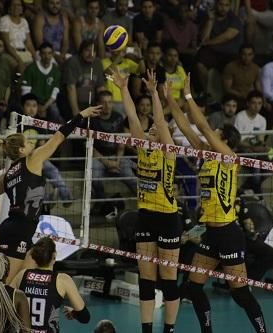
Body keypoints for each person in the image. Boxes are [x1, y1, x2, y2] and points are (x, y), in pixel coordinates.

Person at [169, 74, 267, 333]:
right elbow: (186, 126)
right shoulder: (206, 154)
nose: (214, 133)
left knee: (241, 294)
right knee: (192, 286)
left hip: (229, 233)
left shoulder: (228, 157)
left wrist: (189, 95)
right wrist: (169, 98)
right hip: (211, 232)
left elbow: (201, 124)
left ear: (224, 141)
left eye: (218, 133)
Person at [0, 104, 102, 283]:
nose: (32, 144)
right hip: (19, 229)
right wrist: (81, 114)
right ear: (21, 150)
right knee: (8, 284)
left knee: (25, 277)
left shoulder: (6, 175)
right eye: (28, 142)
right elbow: (59, 136)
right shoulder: (33, 159)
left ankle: (18, 308)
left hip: (16, 228)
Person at [110, 68, 181, 333]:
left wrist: (153, 93)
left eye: (154, 129)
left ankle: (169, 329)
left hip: (168, 219)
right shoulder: (142, 150)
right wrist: (123, 89)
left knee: (169, 278)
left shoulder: (168, 153)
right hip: (146, 216)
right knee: (146, 279)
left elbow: (161, 123)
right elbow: (131, 115)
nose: (151, 129)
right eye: (149, 128)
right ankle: (147, 330)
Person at [11, 237, 91, 332]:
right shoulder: (63, 280)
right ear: (54, 256)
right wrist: (74, 313)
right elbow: (85, 317)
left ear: (34, 257)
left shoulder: (22, 275)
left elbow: (5, 302)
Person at [89, 91, 137, 207]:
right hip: (98, 157)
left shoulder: (118, 117)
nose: (107, 105)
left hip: (117, 156)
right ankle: (104, 204)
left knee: (132, 179)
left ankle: (146, 204)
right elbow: (91, 148)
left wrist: (117, 162)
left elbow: (121, 143)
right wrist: (107, 163)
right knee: (94, 179)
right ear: (98, 104)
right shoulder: (91, 119)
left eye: (110, 102)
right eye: (104, 102)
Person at [196, 0, 243, 92]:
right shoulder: (209, 16)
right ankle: (205, 92)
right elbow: (203, 38)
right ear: (216, 4)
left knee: (232, 67)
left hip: (230, 52)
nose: (223, 8)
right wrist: (210, 21)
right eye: (221, 4)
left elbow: (227, 37)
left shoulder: (234, 19)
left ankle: (228, 96)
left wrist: (207, 43)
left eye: (226, 5)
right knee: (199, 64)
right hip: (212, 51)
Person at [63, 40, 105, 117]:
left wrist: (101, 109)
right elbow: (70, 87)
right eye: (87, 50)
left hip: (91, 104)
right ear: (81, 51)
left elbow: (100, 88)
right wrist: (76, 111)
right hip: (71, 104)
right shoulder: (73, 62)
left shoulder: (97, 63)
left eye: (93, 51)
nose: (90, 54)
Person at [23, 42, 63, 122]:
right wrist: (35, 106)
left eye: (49, 53)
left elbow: (54, 94)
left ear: (52, 54)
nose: (47, 56)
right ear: (40, 54)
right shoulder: (31, 68)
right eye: (44, 53)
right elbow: (25, 92)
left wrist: (44, 107)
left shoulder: (56, 71)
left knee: (54, 110)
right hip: (32, 102)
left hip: (48, 104)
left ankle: (52, 133)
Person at [0, 0, 36, 71]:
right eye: (13, 5)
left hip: (25, 52)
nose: (16, 7)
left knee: (36, 68)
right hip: (11, 53)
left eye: (19, 5)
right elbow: (7, 44)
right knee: (20, 68)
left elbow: (29, 44)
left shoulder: (24, 22)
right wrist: (19, 59)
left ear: (22, 8)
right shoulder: (4, 20)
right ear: (9, 8)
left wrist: (35, 57)